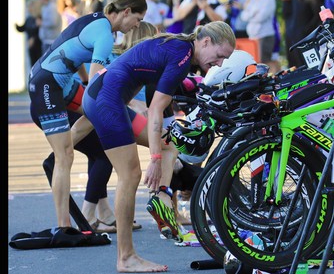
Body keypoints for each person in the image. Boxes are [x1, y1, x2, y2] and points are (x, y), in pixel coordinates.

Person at [81, 20, 236, 272]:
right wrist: (153, 160)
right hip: (106, 100)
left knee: (169, 145)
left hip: (104, 95)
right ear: (206, 42)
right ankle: (126, 257)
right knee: (131, 175)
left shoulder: (181, 47)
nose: (219, 64)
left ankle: (161, 200)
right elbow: (156, 110)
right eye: (219, 56)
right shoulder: (182, 56)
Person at [27, 0, 147, 235]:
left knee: (96, 115)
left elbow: (71, 46)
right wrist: (130, 100)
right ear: (126, 12)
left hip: (60, 81)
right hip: (47, 84)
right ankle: (64, 226)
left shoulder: (98, 22)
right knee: (65, 157)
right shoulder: (104, 34)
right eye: (137, 18)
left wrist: (82, 81)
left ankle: (66, 144)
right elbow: (96, 86)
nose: (137, 25)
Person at [240, 0, 278, 73]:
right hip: (253, 38)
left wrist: (249, 13)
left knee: (266, 61)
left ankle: (274, 79)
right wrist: (253, 13)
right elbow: (243, 16)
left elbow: (261, 17)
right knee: (256, 62)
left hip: (265, 35)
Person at [15, 0, 43, 66]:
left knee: (38, 64)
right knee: (32, 65)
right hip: (31, 46)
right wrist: (15, 25)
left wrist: (33, 38)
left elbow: (39, 31)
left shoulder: (39, 18)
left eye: (31, 6)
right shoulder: (29, 19)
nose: (29, 8)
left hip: (38, 45)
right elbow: (22, 28)